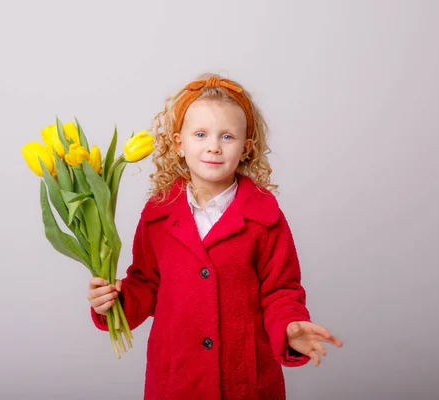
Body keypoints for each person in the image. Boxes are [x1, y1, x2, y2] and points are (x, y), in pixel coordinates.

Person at [86, 73, 342, 399]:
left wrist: (291, 327)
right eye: (201, 134)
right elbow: (146, 284)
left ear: (246, 148)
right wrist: (113, 303)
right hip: (177, 379)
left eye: (227, 137)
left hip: (245, 381)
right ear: (179, 144)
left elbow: (281, 291)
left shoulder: (265, 219)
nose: (213, 147)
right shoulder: (158, 215)